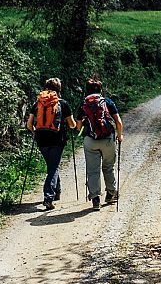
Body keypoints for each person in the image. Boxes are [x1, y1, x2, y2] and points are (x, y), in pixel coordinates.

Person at [25, 77, 77, 210]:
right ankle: (48, 197)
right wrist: (74, 125)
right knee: (53, 168)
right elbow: (71, 124)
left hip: (41, 139)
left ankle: (57, 192)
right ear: (59, 89)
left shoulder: (38, 103)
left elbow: (29, 124)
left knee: (52, 165)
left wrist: (35, 132)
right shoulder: (62, 103)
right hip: (57, 140)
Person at [76, 77, 124, 210]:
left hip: (90, 140)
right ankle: (111, 194)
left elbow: (78, 125)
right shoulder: (107, 102)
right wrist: (119, 136)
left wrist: (86, 132)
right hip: (107, 139)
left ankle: (95, 200)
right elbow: (118, 122)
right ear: (100, 90)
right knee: (108, 167)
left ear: (87, 90)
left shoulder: (83, 104)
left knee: (93, 170)